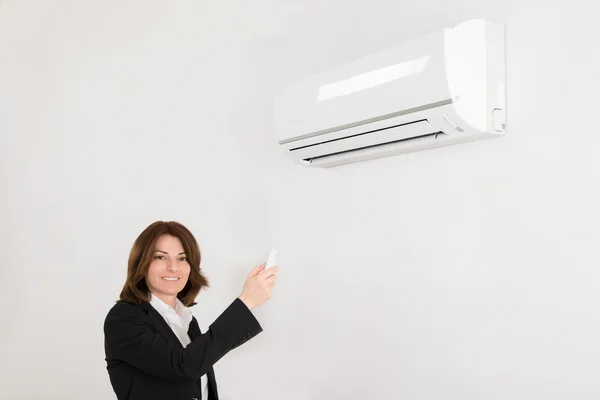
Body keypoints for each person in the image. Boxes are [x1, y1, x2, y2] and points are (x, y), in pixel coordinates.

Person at [103, 221, 278, 400]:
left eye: (182, 258)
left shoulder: (186, 321)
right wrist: (245, 302)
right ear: (142, 263)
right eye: (160, 257)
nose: (173, 267)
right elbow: (184, 365)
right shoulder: (123, 318)